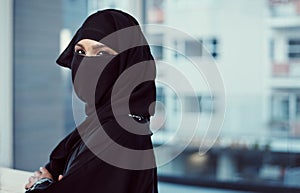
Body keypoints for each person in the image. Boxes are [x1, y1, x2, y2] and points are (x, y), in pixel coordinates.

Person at [24, 9, 158, 193]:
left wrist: (43, 184)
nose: (86, 63)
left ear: (128, 66)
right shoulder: (104, 124)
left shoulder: (119, 135)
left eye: (102, 54)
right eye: (80, 51)